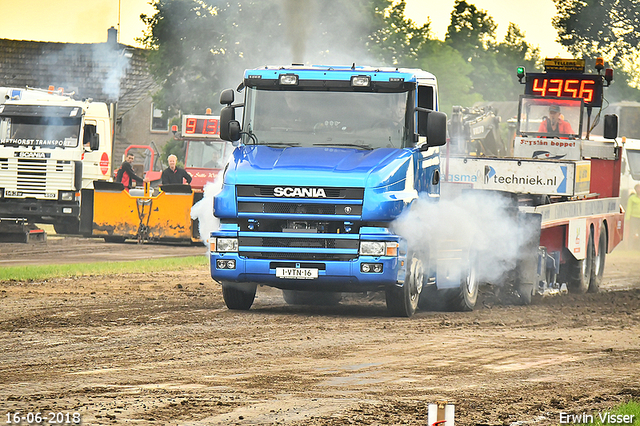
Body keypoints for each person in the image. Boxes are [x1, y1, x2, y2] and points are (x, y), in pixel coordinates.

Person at [625, 184, 640, 250]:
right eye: (638, 188)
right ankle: (629, 248)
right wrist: (627, 219)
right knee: (632, 233)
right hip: (634, 218)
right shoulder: (632, 198)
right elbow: (629, 208)